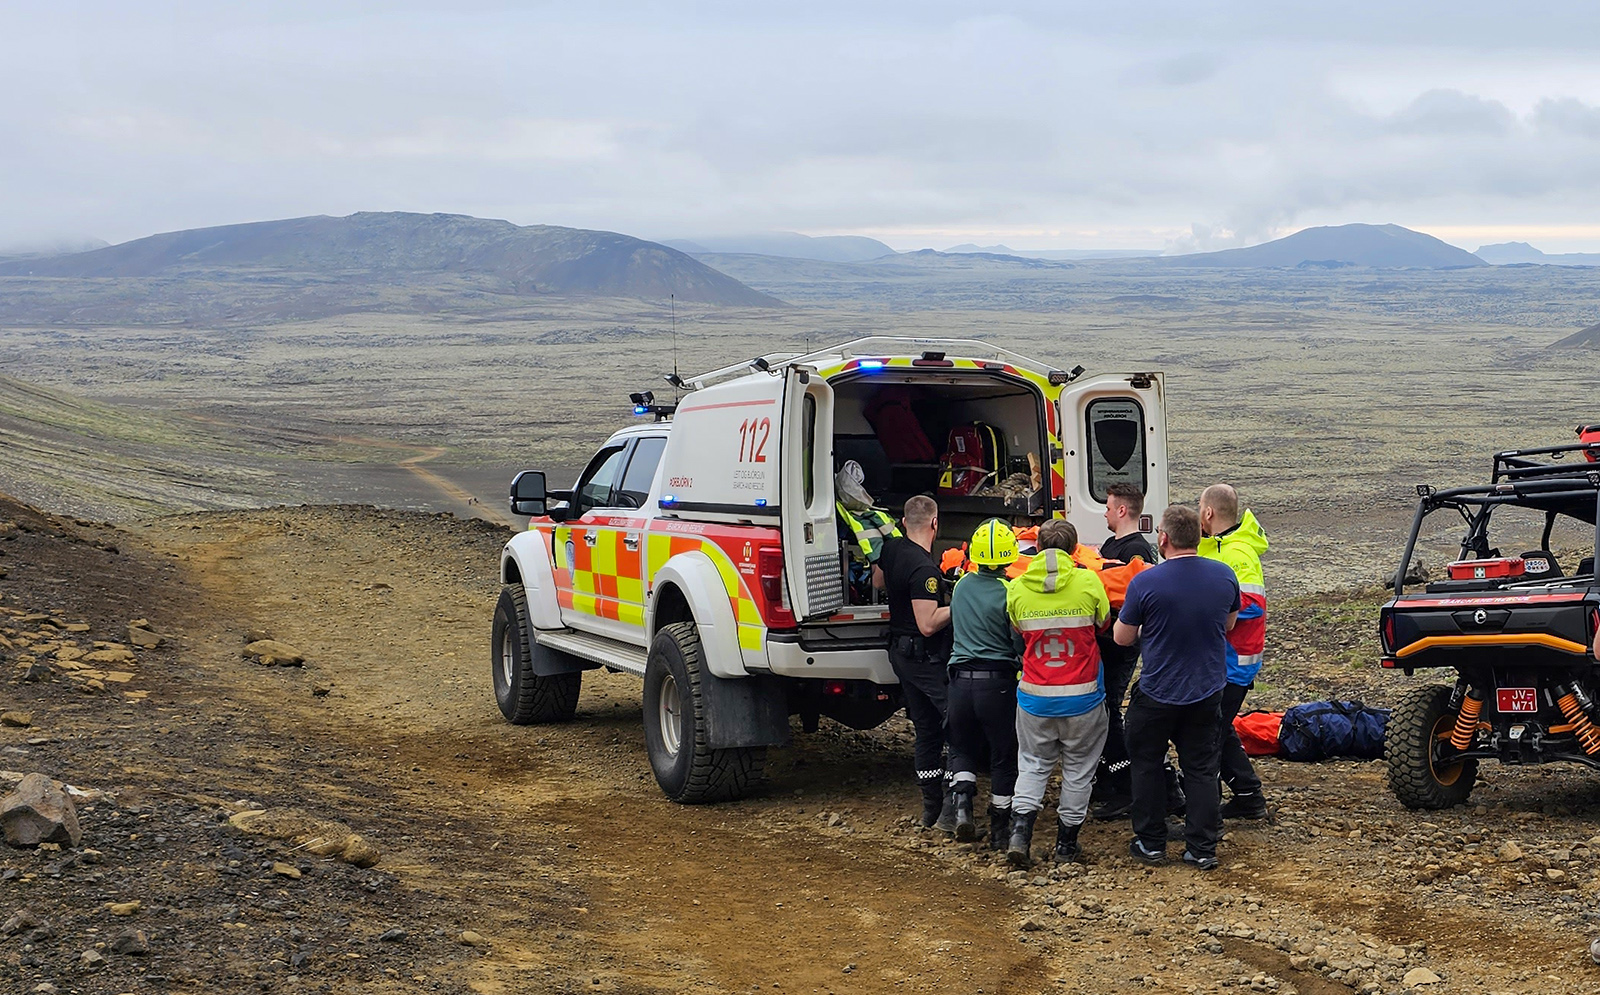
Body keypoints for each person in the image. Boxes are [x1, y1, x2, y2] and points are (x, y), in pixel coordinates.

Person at [1114, 505, 1239, 870]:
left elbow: (1122, 639)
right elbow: (1229, 624)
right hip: (1206, 690)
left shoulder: (1145, 582)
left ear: (1163, 538)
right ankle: (1202, 848)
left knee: (1147, 764)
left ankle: (1151, 843)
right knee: (1201, 769)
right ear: (1198, 536)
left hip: (1157, 691)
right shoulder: (1224, 576)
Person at [1005, 519, 1111, 867]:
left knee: (1033, 765)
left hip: (1035, 698)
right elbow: (1104, 623)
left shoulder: (1017, 588)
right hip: (1084, 699)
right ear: (1074, 549)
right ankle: (1067, 846)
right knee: (1079, 769)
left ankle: (1020, 834)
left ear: (1036, 547)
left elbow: (1018, 630)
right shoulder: (1088, 581)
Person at [945, 519, 1026, 847]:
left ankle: (963, 809)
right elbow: (1017, 643)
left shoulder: (961, 586)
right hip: (998, 686)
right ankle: (999, 831)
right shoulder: (1010, 592)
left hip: (960, 684)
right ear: (1010, 556)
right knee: (1003, 756)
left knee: (961, 747)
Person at [875, 494, 954, 828]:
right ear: (935, 524)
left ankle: (930, 808)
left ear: (905, 523)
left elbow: (878, 582)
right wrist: (961, 601)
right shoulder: (924, 568)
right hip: (923, 658)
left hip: (901, 653)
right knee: (957, 725)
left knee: (926, 730)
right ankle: (952, 807)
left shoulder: (893, 548)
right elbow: (927, 623)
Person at [1198, 484, 1271, 820]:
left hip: (1233, 663)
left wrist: (1205, 611)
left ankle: (1207, 810)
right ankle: (1247, 796)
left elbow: (1252, 605)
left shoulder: (1237, 554)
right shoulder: (1216, 548)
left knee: (1208, 733)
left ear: (1209, 512)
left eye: (1200, 507)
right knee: (1219, 727)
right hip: (1221, 660)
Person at [1091, 482, 1158, 820]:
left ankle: (1125, 785)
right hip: (1103, 640)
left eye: (1107, 506)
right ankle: (1107, 778)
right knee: (1101, 710)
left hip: (1120, 644)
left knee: (1109, 710)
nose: (1104, 511)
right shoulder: (1110, 545)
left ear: (1121, 510)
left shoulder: (1138, 552)